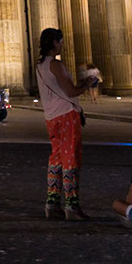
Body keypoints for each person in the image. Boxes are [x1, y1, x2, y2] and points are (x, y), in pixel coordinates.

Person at [37, 28, 90, 219]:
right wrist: (87, 85)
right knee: (71, 158)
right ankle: (72, 205)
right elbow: (71, 91)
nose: (63, 45)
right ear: (54, 43)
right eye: (60, 41)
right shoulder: (55, 65)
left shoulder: (40, 65)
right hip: (66, 115)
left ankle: (51, 203)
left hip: (51, 117)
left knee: (56, 158)